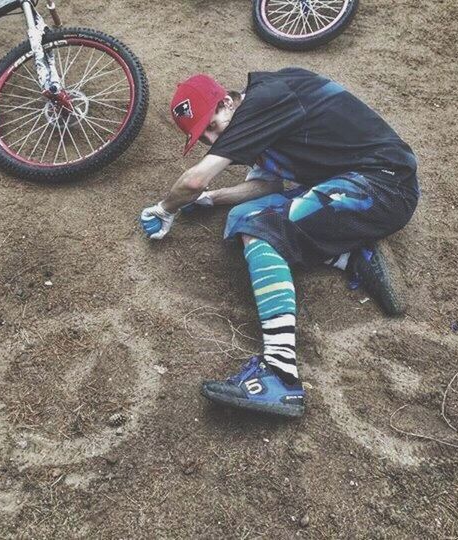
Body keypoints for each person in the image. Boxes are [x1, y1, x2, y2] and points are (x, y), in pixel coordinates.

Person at [140, 67, 419, 418]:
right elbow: (267, 185)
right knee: (243, 217)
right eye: (203, 137)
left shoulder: (263, 102)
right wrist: (211, 199)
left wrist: (165, 208)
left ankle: (280, 375)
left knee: (261, 229)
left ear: (227, 102)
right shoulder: (264, 112)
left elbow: (194, 179)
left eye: (212, 125)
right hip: (356, 184)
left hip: (384, 189)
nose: (213, 140)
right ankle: (353, 257)